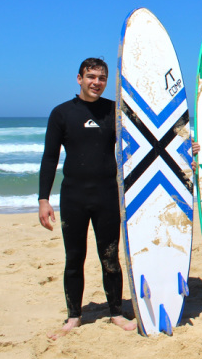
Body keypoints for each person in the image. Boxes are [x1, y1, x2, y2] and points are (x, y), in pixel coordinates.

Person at [38, 58, 137, 339]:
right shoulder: (62, 113)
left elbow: (142, 143)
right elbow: (49, 157)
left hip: (107, 194)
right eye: (91, 76)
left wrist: (184, 146)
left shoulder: (113, 112)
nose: (96, 82)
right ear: (79, 78)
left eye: (102, 78)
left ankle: (116, 312)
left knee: (110, 257)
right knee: (74, 258)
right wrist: (43, 199)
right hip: (73, 196)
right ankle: (74, 316)